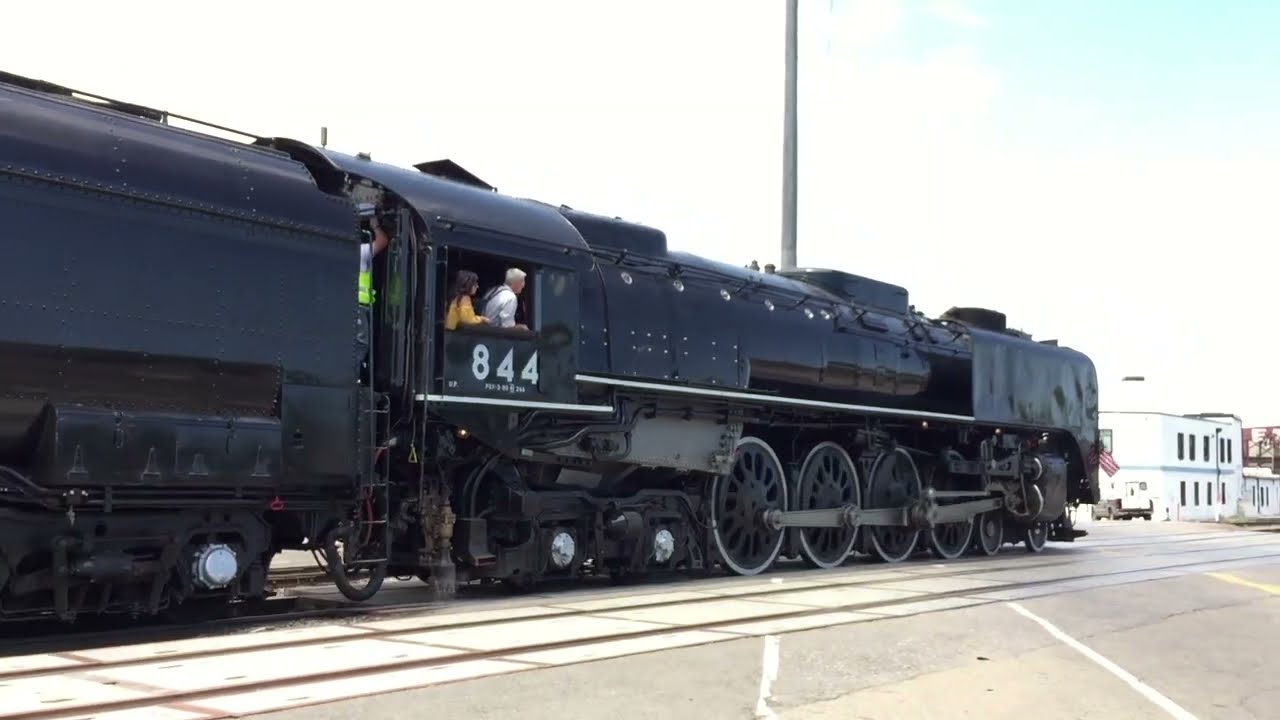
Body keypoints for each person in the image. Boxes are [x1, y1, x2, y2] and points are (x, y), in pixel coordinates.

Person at [357, 214, 392, 380]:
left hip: (353, 305)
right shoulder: (361, 252)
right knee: (361, 343)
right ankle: (354, 375)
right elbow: (383, 241)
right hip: (359, 306)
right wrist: (376, 225)